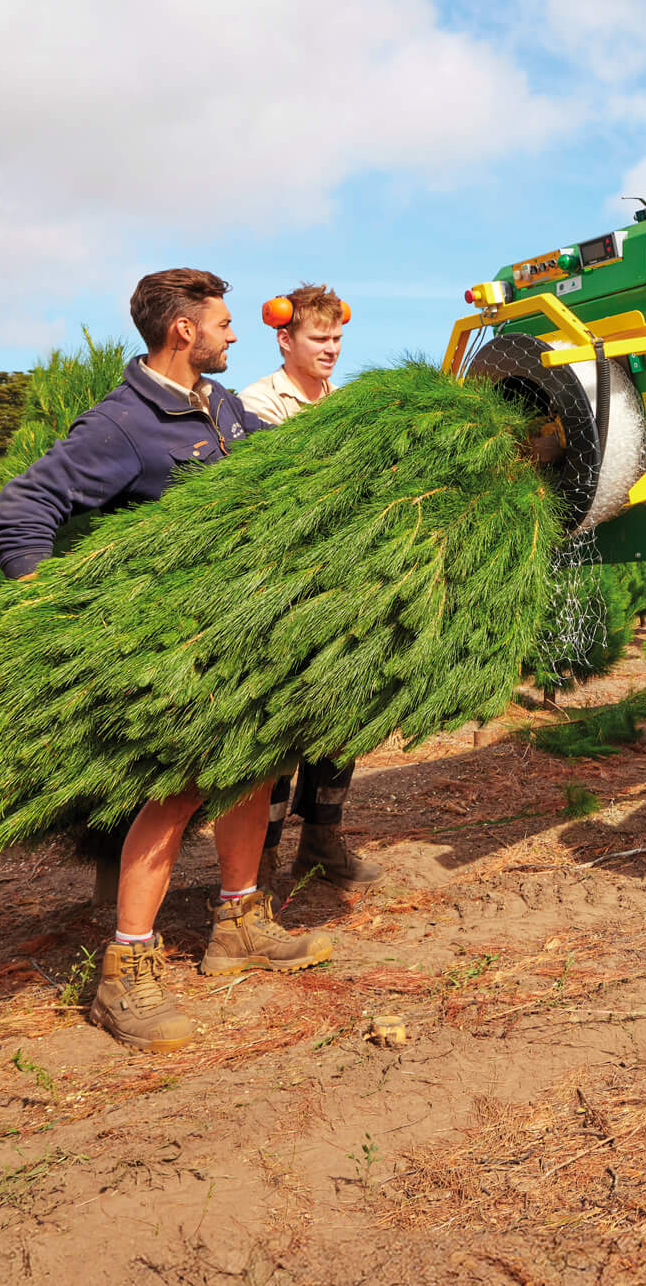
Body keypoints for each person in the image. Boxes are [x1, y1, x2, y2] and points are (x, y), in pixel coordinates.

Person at [0, 268, 333, 1051]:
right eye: (222, 322)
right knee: (176, 791)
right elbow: (20, 510)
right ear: (184, 330)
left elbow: (287, 463)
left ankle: (239, 924)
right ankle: (124, 973)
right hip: (174, 649)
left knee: (256, 763)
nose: (233, 334)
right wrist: (59, 613)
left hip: (238, 635)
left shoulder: (224, 408)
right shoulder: (121, 425)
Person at [237, 283, 383, 890]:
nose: (332, 349)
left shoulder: (346, 402)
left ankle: (321, 842)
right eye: (319, 339)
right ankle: (262, 856)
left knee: (343, 719)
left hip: (348, 585)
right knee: (282, 730)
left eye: (338, 338)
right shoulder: (257, 405)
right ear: (284, 339)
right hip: (288, 588)